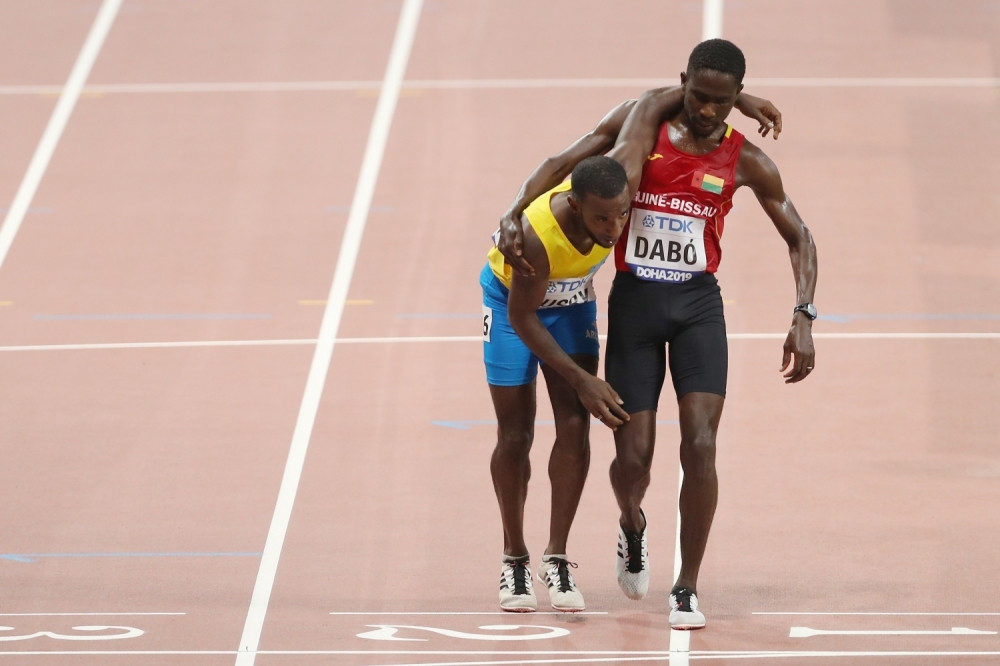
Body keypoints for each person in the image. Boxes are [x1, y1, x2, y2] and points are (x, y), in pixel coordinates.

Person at [496, 39, 818, 630]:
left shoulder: (748, 161)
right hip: (636, 308)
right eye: (700, 97)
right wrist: (516, 207)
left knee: (700, 443)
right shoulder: (643, 129)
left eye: (724, 102)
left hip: (698, 306)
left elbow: (800, 236)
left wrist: (804, 314)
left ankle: (687, 586)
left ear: (733, 100)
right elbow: (572, 154)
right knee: (634, 459)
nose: (709, 112)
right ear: (683, 86)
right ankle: (632, 523)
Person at [482, 155, 631, 613]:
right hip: (513, 306)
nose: (613, 228)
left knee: (574, 426)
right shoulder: (535, 238)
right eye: (601, 217)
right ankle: (514, 556)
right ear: (574, 202)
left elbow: (563, 155)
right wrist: (583, 379)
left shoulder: (615, 192)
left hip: (570, 304)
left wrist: (741, 98)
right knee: (515, 434)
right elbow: (523, 317)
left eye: (621, 214)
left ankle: (557, 556)